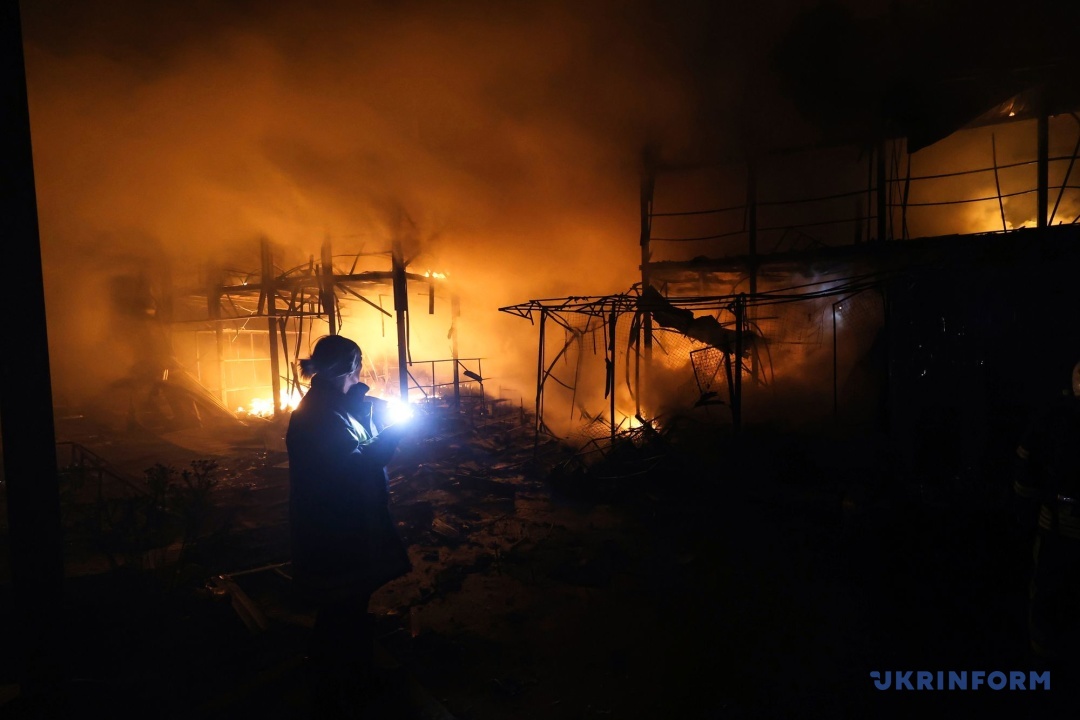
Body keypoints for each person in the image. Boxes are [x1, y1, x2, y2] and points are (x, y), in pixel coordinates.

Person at [286, 334, 412, 713]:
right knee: (341, 609)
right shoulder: (318, 416)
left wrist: (359, 401)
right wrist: (392, 436)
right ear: (353, 366)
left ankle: (349, 678)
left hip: (341, 523)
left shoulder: (327, 405)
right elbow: (353, 464)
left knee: (348, 607)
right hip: (336, 529)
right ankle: (339, 691)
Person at [1013, 360, 1080, 660]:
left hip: (1056, 523)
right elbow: (1028, 459)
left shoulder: (1056, 414)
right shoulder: (1056, 414)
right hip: (1056, 523)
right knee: (1049, 593)